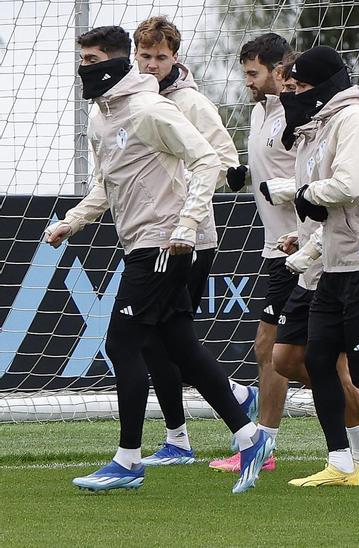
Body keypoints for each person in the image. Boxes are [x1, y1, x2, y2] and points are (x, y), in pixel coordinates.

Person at [47, 25, 271, 493]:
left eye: (90, 61)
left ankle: (128, 461)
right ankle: (250, 435)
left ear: (111, 62)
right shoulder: (102, 115)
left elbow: (209, 160)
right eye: (81, 60)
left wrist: (187, 226)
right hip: (143, 243)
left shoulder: (150, 108)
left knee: (122, 345)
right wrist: (74, 220)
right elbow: (106, 185)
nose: (83, 69)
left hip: (165, 245)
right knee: (177, 347)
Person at [240, 51, 359, 477]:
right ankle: (357, 448)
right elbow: (320, 194)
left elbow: (346, 185)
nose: (291, 96)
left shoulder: (350, 118)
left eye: (299, 89)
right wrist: (304, 238)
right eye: (288, 89)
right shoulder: (311, 126)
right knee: (289, 357)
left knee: (341, 364)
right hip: (322, 260)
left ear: (323, 86)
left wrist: (296, 193)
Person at [122, 16, 260, 467]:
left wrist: (198, 190)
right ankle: (191, 430)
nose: (152, 64)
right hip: (157, 233)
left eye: (160, 57)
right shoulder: (131, 100)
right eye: (145, 56)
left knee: (162, 342)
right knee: (163, 341)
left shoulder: (190, 102)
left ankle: (197, 429)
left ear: (175, 57)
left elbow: (223, 157)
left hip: (189, 238)